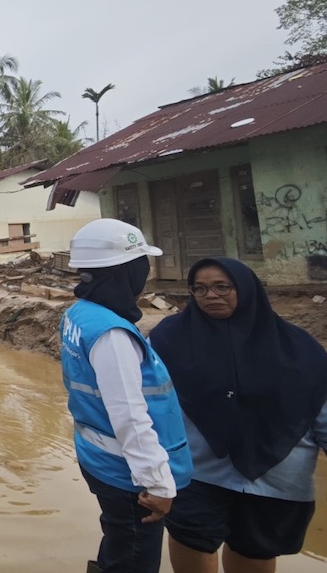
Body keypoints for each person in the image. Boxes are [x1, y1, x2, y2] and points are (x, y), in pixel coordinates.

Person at [151, 258, 327, 573]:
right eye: (200, 289)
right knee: (192, 537)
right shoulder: (168, 339)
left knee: (254, 549)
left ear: (246, 289)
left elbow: (321, 406)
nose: (210, 296)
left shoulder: (299, 349)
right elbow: (146, 401)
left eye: (222, 287)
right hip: (196, 471)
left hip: (273, 475)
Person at [59, 218, 191, 573]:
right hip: (128, 475)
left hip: (98, 457)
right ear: (126, 273)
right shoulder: (112, 334)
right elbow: (129, 414)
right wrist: (158, 483)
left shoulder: (80, 314)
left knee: (118, 547)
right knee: (132, 559)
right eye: (141, 268)